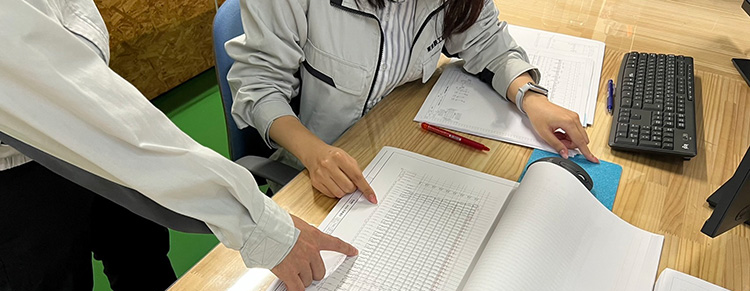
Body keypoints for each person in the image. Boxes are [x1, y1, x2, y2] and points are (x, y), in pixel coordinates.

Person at [0, 0, 355, 291]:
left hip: (92, 95)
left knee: (142, 261)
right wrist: (260, 226)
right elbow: (58, 95)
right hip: (16, 173)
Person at [227, 0, 600, 202]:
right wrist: (313, 153)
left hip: (396, 143)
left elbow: (484, 39)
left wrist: (529, 97)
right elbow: (259, 84)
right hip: (318, 171)